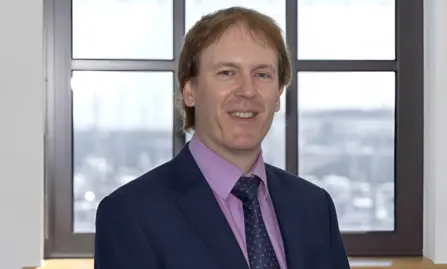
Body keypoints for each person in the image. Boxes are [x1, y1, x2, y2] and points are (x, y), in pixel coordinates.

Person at [94, 6, 350, 269]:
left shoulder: (315, 207)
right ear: (190, 90)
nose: (247, 91)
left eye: (262, 74)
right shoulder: (130, 214)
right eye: (227, 73)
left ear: (278, 96)